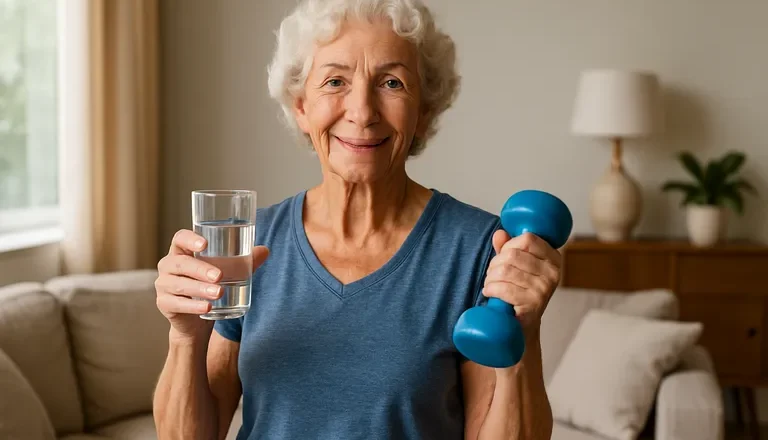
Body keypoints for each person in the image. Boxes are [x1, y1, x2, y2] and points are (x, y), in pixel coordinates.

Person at [152, 0, 563, 439]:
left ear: (423, 112)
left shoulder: (480, 247)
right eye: (334, 81)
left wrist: (524, 334)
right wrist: (185, 337)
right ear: (301, 107)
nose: (363, 112)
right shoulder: (249, 245)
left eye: (391, 82)